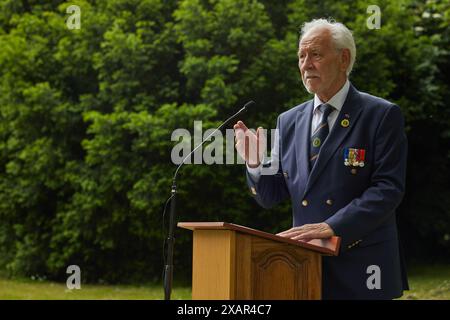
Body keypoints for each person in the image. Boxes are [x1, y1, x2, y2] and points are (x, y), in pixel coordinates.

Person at [233, 18, 408, 300]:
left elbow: (388, 189)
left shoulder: (381, 115)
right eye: (301, 56)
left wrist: (333, 226)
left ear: (344, 59)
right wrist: (254, 164)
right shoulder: (288, 120)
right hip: (304, 265)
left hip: (362, 268)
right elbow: (270, 195)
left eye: (315, 54)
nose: (306, 65)